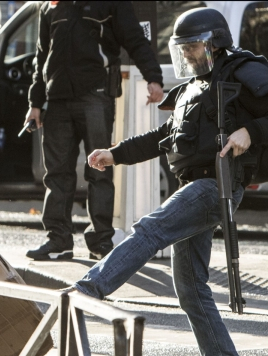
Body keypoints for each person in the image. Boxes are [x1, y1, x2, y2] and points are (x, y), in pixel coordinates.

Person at [71, 7, 268, 356]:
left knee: (150, 228)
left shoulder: (241, 71)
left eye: (193, 46)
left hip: (217, 186)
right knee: (191, 287)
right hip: (193, 186)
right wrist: (115, 154)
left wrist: (249, 131)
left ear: (215, 42)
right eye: (184, 48)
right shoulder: (194, 87)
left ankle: (86, 291)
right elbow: (164, 135)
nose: (189, 55)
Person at [25, 1, 164, 262]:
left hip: (96, 95)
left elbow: (135, 39)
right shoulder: (50, 6)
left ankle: (100, 242)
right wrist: (34, 103)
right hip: (56, 99)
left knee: (99, 169)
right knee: (56, 174)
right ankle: (58, 241)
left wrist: (153, 77)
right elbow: (41, 56)